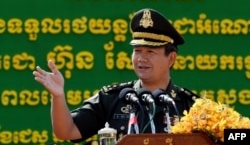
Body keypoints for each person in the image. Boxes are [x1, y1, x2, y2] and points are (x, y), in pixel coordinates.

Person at [33, 8, 198, 143]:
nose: (141, 58)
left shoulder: (189, 105)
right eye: (137, 51)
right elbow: (67, 131)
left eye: (150, 51)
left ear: (171, 58)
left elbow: (223, 136)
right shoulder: (113, 98)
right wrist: (58, 96)